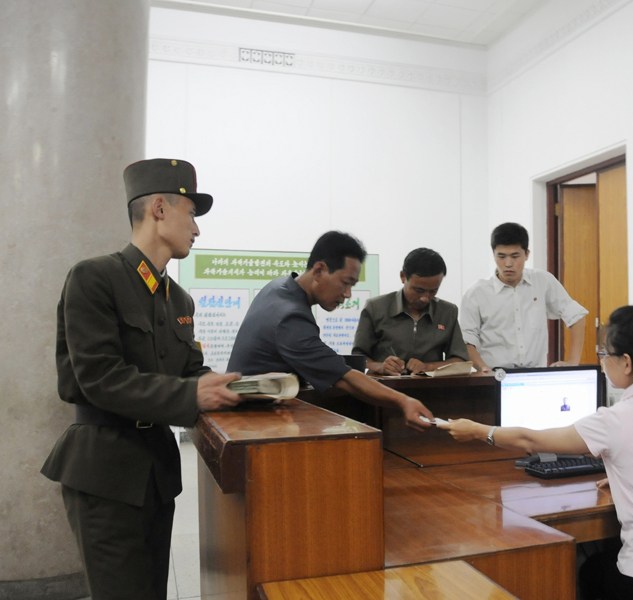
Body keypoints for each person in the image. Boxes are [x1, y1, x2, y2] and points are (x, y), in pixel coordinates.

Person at [41, 159, 243, 600]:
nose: (197, 229)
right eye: (191, 213)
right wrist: (192, 393)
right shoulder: (95, 278)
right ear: (158, 208)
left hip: (156, 472)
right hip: (105, 472)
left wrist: (241, 390)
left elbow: (190, 371)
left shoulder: (178, 298)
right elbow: (100, 377)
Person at [439, 305, 633, 600]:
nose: (602, 363)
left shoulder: (615, 420)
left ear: (626, 363)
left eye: (605, 354)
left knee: (590, 571)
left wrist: (477, 430)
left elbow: (530, 440)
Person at [227, 231, 434, 429]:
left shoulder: (279, 286)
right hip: (252, 421)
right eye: (345, 283)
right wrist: (404, 401)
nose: (347, 294)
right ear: (318, 271)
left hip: (249, 413)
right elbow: (345, 378)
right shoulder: (291, 318)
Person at [460, 222, 588, 372]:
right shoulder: (476, 293)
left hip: (535, 375)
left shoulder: (542, 281)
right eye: (501, 256)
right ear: (493, 254)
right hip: (494, 375)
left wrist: (573, 362)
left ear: (527, 254)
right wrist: (483, 368)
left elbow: (577, 316)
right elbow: (467, 341)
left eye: (515, 256)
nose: (508, 264)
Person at [352, 247, 468, 375]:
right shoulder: (375, 308)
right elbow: (359, 358)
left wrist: (428, 367)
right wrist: (381, 367)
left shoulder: (447, 312)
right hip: (384, 388)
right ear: (403, 277)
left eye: (433, 291)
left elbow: (460, 361)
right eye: (419, 290)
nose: (425, 298)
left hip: (432, 389)